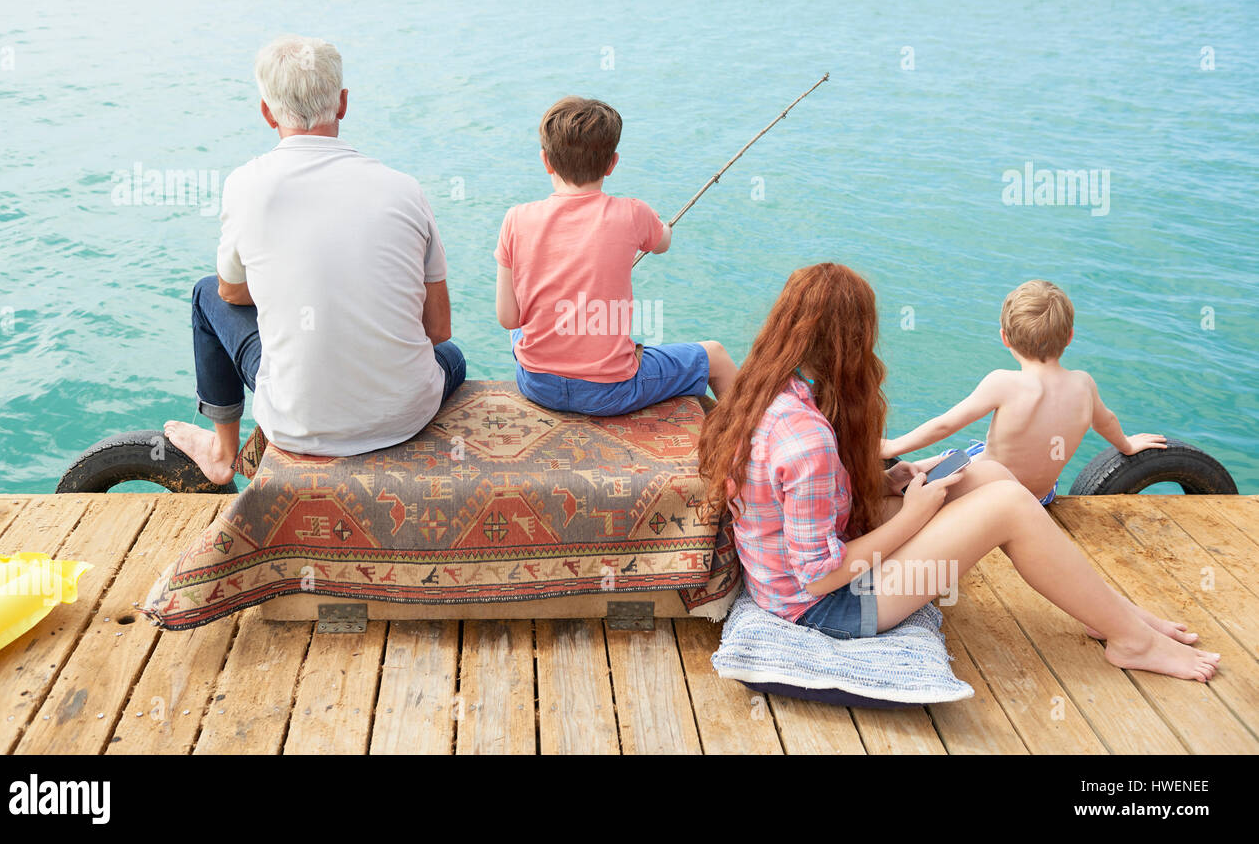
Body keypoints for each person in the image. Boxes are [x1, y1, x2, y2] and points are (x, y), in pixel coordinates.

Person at [697, 263, 1219, 681]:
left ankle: (1106, 613)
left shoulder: (773, 387)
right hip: (825, 605)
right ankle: (1132, 640)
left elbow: (797, 495)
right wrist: (913, 516)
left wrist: (892, 479)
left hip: (807, 564)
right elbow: (821, 576)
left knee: (989, 474)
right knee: (1011, 505)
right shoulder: (804, 437)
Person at [163, 34, 464, 482]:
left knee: (205, 292)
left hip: (295, 423)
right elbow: (438, 330)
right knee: (452, 357)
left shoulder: (246, 186)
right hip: (406, 417)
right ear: (343, 103)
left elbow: (228, 292)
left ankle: (223, 451)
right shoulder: (403, 189)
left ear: (267, 112)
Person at [493, 95, 737, 416]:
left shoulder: (516, 218)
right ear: (612, 163)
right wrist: (660, 226)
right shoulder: (633, 213)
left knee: (521, 328)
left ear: (545, 160)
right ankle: (753, 440)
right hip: (608, 393)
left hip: (537, 384)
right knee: (715, 356)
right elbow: (662, 242)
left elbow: (508, 319)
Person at [881, 279, 1167, 503]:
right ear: (1069, 337)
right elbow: (1106, 421)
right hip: (1039, 497)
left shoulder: (1002, 383)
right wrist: (1127, 446)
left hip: (986, 495)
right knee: (978, 451)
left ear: (1005, 338)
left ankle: (901, 478)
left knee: (960, 453)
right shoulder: (1084, 384)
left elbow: (944, 425)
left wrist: (894, 445)